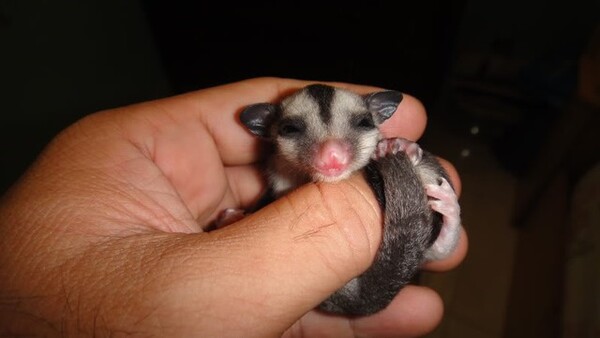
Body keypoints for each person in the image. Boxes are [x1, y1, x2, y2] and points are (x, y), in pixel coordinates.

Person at [0, 77, 467, 337]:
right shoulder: (282, 176)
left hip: (385, 268)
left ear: (380, 119)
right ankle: (440, 233)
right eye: (294, 131)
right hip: (341, 289)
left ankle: (444, 232)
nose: (331, 154)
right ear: (268, 132)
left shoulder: (381, 154)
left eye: (360, 125)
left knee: (433, 203)